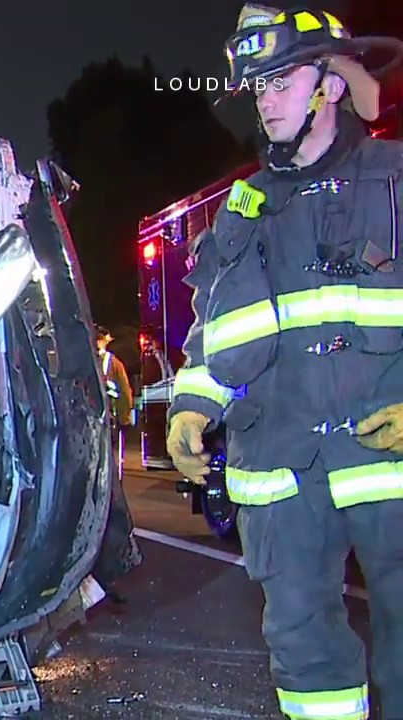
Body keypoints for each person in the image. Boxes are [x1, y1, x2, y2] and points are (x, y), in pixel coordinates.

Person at [166, 6, 403, 718]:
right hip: (280, 465)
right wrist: (191, 405)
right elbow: (217, 327)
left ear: (330, 85)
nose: (265, 99)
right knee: (302, 642)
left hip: (385, 458)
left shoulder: (394, 180)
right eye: (257, 84)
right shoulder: (244, 207)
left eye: (282, 80)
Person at [97, 326, 134, 428]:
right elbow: (125, 391)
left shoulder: (84, 362)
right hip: (108, 418)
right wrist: (124, 418)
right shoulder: (114, 363)